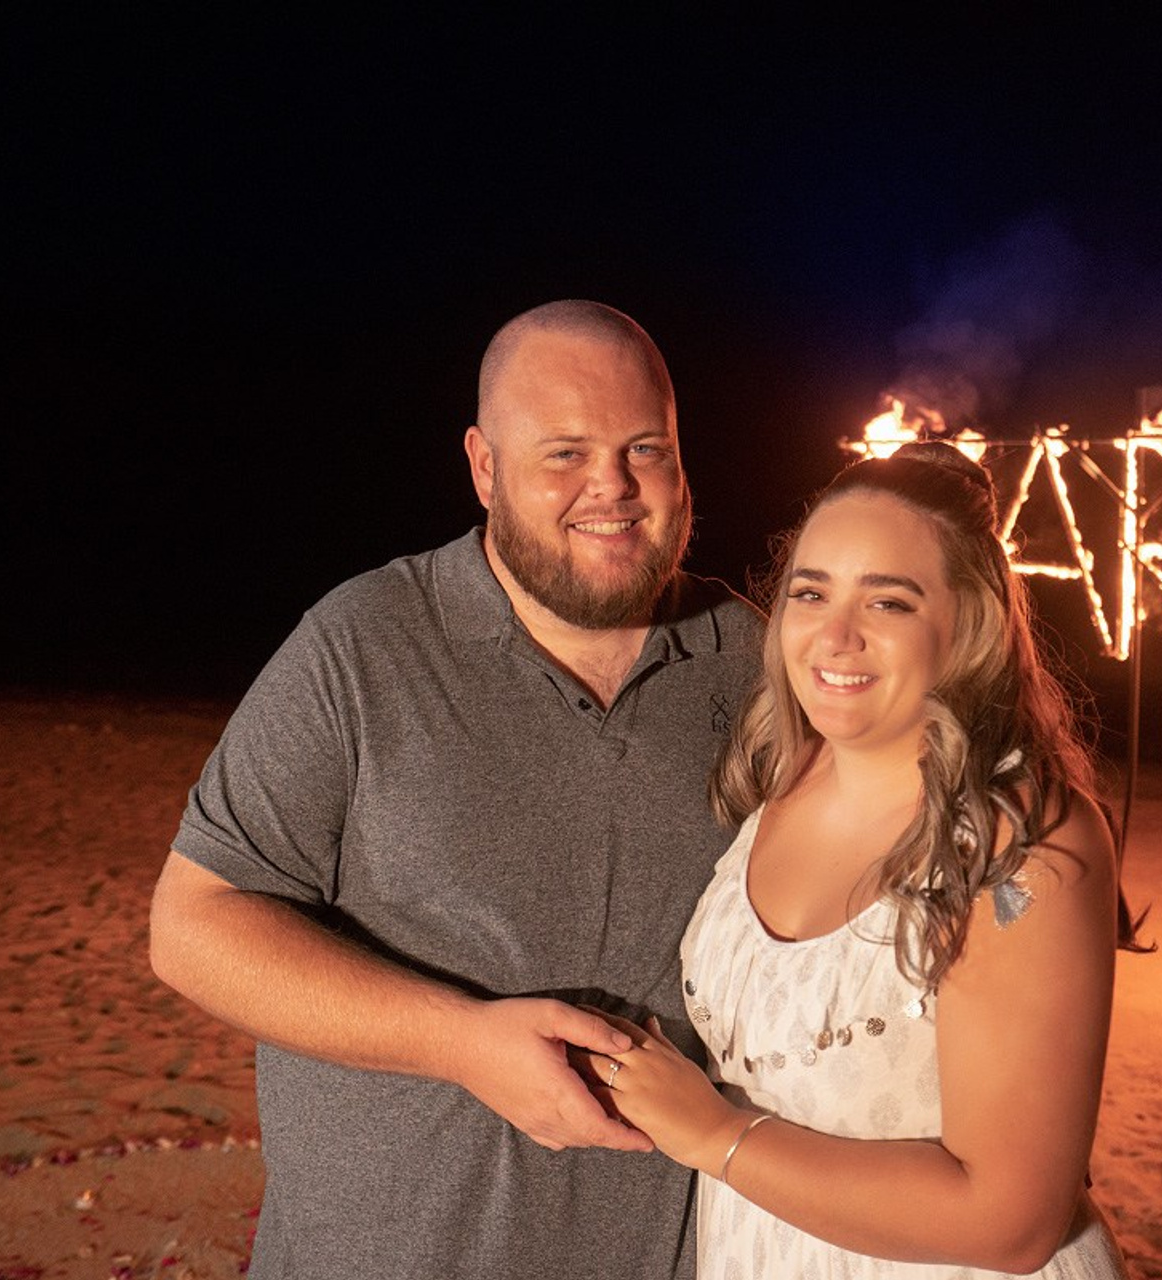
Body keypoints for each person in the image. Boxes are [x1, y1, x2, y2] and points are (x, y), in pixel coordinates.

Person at [148, 300, 763, 1279]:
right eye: (563, 452)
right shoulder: (362, 646)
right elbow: (194, 925)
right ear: (482, 466)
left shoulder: (758, 665)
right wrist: (462, 1041)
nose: (610, 484)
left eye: (644, 447)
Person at [587, 442, 1138, 1278]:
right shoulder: (781, 776)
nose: (835, 635)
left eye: (889, 601)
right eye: (811, 592)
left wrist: (712, 1134)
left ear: (968, 624)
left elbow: (1013, 1222)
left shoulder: (1019, 842)